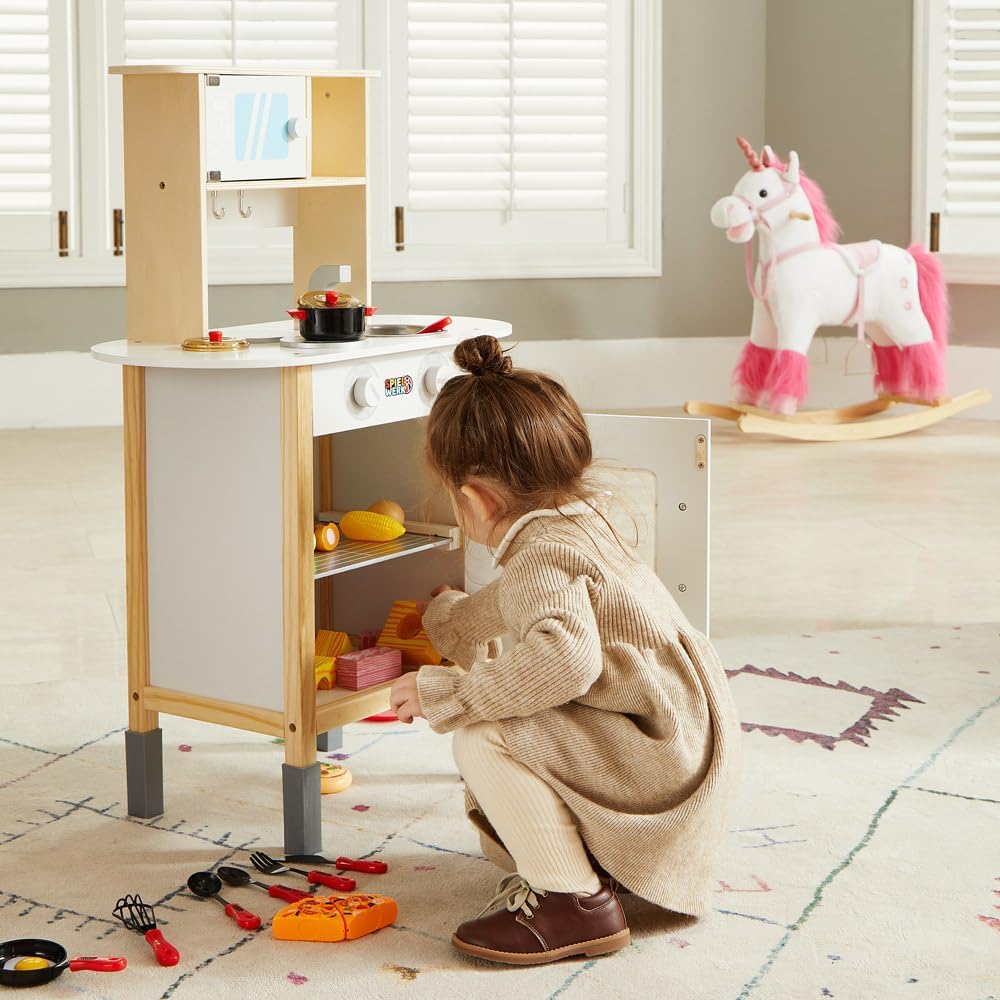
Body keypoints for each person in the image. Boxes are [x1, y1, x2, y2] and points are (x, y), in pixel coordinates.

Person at [389, 335, 740, 966]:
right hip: (682, 740)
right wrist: (449, 620)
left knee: (483, 734)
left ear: (474, 500)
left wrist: (447, 693)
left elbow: (564, 660)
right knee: (506, 717)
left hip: (660, 762)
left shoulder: (539, 556)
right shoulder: (579, 520)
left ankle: (573, 902)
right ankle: (594, 873)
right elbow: (516, 606)